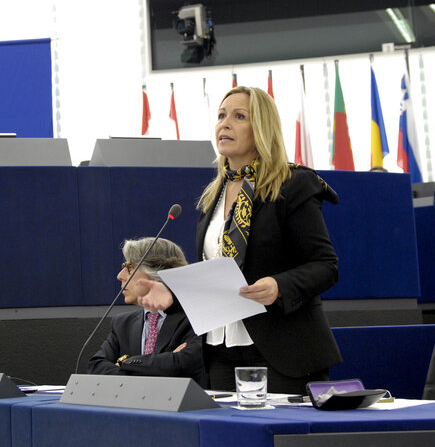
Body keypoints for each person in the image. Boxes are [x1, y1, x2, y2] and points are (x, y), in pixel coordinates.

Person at [137, 86, 342, 395]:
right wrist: (172, 293)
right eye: (221, 116)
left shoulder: (293, 184)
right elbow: (217, 275)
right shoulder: (212, 197)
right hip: (221, 347)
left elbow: (326, 266)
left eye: (239, 116)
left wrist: (279, 286)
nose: (225, 124)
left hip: (282, 348)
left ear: (261, 127)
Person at [87, 237, 208, 388]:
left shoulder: (196, 318)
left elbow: (181, 364)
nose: (120, 275)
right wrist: (154, 366)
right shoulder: (122, 324)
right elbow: (96, 367)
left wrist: (123, 362)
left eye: (129, 267)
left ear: (157, 272)